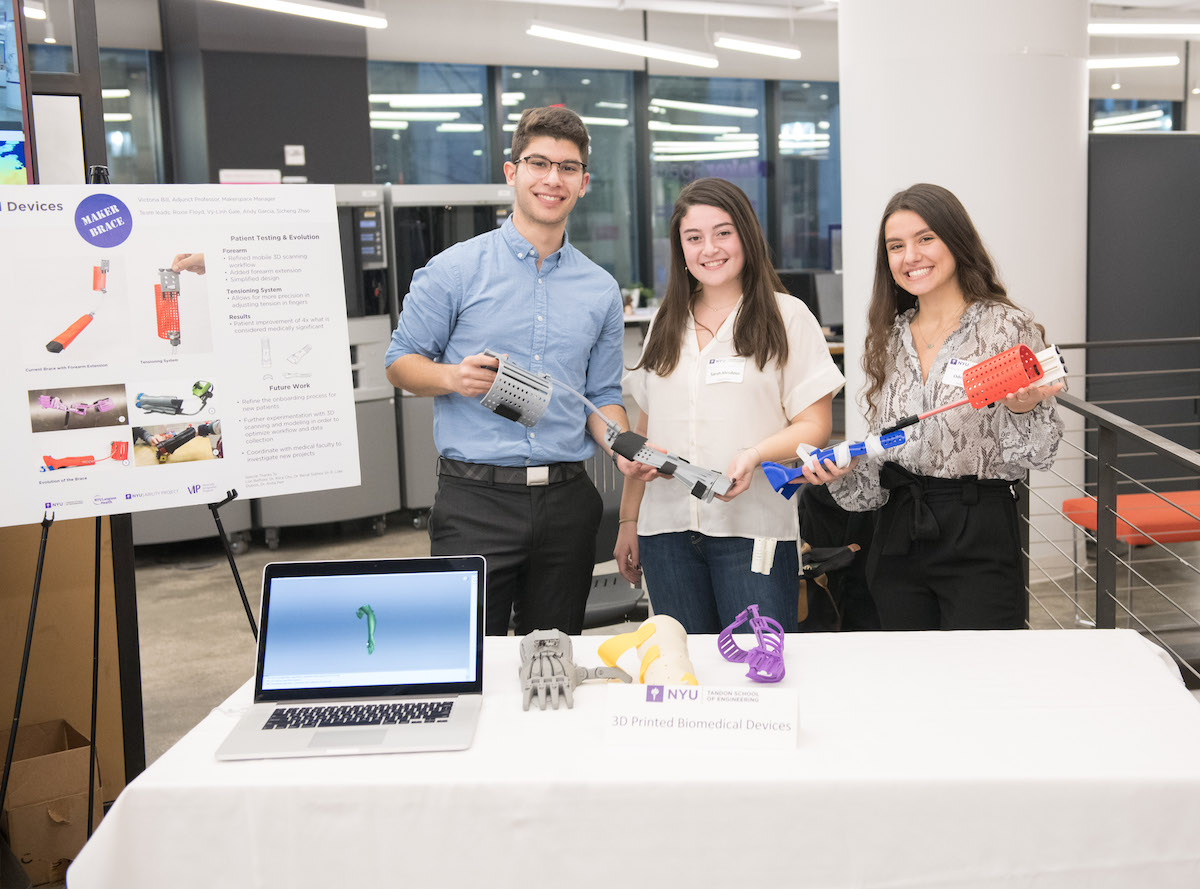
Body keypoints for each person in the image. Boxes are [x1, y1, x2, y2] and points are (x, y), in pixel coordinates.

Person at [385, 106, 655, 637]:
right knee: (467, 665)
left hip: (568, 503)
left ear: (583, 184)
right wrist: (451, 378)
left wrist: (621, 445)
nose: (553, 179)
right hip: (474, 502)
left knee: (553, 664)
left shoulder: (599, 289)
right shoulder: (453, 270)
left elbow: (599, 394)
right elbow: (399, 362)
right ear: (512, 173)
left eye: (568, 168)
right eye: (539, 163)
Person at [803, 182, 1064, 631]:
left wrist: (1021, 410)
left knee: (982, 678)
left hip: (977, 527)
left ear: (956, 242)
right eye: (896, 246)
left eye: (926, 239)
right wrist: (845, 470)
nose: (911, 257)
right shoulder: (890, 336)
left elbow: (1038, 456)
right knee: (910, 679)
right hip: (897, 530)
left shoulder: (1005, 327)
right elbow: (886, 454)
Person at [614, 178, 844, 634]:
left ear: (746, 235)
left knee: (758, 673)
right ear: (679, 248)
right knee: (682, 670)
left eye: (723, 232)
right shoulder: (665, 320)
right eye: (693, 238)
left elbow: (815, 425)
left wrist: (755, 455)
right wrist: (628, 519)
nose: (709, 249)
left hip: (752, 529)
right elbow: (647, 425)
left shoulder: (787, 316)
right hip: (666, 533)